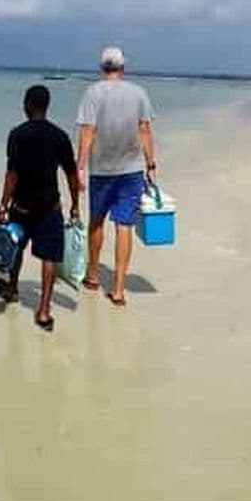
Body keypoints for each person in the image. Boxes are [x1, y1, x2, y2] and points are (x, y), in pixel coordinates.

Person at [0, 85, 79, 332]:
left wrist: (2, 206)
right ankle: (44, 311)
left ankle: (11, 289)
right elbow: (72, 174)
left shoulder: (17, 135)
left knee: (15, 249)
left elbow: (12, 174)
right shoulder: (59, 136)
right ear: (46, 106)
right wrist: (75, 206)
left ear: (28, 105)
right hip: (50, 207)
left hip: (21, 207)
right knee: (49, 258)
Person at [76, 46, 157, 306]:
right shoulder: (138, 92)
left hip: (101, 170)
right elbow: (144, 130)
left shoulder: (92, 92)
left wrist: (79, 166)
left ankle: (93, 275)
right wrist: (151, 163)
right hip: (132, 170)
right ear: (123, 68)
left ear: (102, 68)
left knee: (96, 222)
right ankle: (119, 289)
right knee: (124, 226)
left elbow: (88, 131)